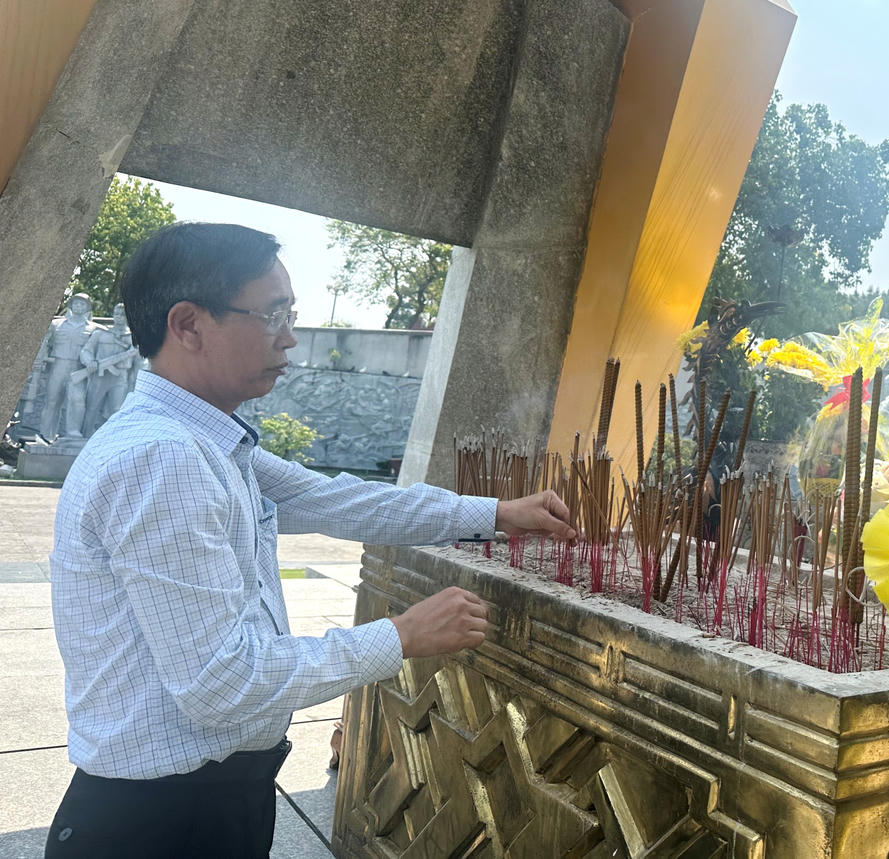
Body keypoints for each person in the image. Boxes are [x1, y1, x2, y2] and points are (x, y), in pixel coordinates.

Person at [45, 222, 576, 858]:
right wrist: (402, 636)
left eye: (288, 313)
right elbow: (223, 683)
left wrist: (495, 512)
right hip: (161, 823)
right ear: (187, 325)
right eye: (271, 315)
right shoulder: (166, 459)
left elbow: (334, 498)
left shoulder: (209, 441)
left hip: (207, 800)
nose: (290, 337)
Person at [37, 293, 100, 441]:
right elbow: (44, 343)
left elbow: (96, 348)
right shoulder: (55, 324)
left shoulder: (94, 328)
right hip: (58, 366)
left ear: (87, 307)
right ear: (71, 305)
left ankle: (73, 433)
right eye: (76, 303)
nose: (79, 306)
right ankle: (46, 434)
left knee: (77, 400)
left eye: (82, 304)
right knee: (52, 401)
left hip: (78, 368)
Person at [77, 302, 143, 435]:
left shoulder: (133, 337)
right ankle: (85, 437)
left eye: (123, 315)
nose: (119, 317)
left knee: (116, 410)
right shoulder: (100, 333)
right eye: (116, 314)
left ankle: (111, 439)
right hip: (99, 376)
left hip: (120, 377)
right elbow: (86, 351)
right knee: (92, 408)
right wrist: (90, 362)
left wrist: (135, 383)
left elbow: (139, 364)